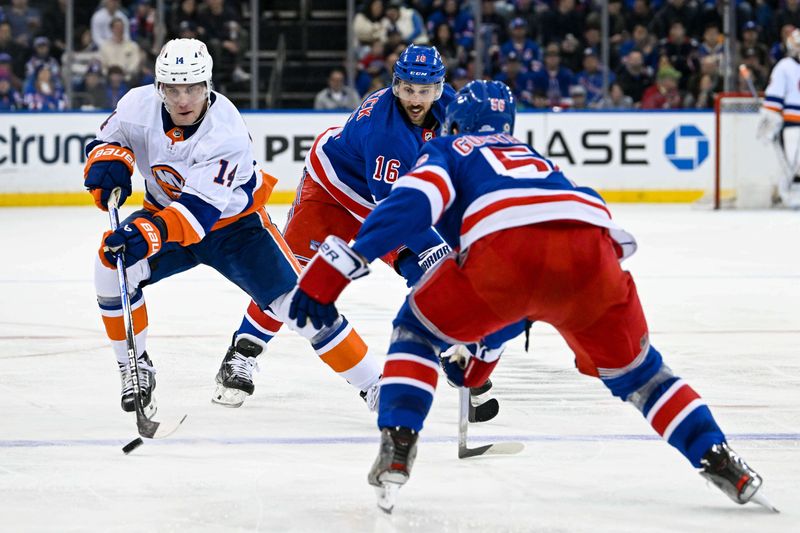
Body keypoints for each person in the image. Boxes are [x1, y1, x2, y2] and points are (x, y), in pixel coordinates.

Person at [287, 80, 774, 513]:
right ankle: (722, 459)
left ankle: (398, 443)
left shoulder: (451, 149)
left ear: (455, 120)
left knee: (415, 330)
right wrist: (478, 367)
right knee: (645, 377)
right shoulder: (539, 161)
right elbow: (525, 302)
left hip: (505, 255)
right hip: (593, 256)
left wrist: (338, 269)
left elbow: (411, 206)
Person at [84, 38, 381, 416]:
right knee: (110, 265)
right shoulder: (135, 106)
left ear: (207, 84)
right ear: (159, 87)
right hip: (164, 213)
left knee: (301, 306)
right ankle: (134, 366)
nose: (182, 99)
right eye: (172, 89)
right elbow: (109, 139)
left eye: (192, 87)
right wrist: (108, 161)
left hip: (236, 230)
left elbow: (197, 215)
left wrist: (148, 233)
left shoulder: (226, 132)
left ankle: (375, 385)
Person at [212, 45, 471, 410]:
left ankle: (449, 345)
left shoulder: (451, 111)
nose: (416, 98)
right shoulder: (387, 133)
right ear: (396, 86)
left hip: (386, 199)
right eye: (409, 88)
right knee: (290, 279)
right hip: (333, 190)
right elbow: (391, 206)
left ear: (440, 89)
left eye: (424, 90)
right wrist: (437, 245)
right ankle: (243, 351)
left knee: (424, 270)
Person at [757, 28, 800, 206]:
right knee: (794, 164)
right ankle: (790, 196)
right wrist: (770, 122)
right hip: (792, 124)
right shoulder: (784, 67)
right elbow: (774, 99)